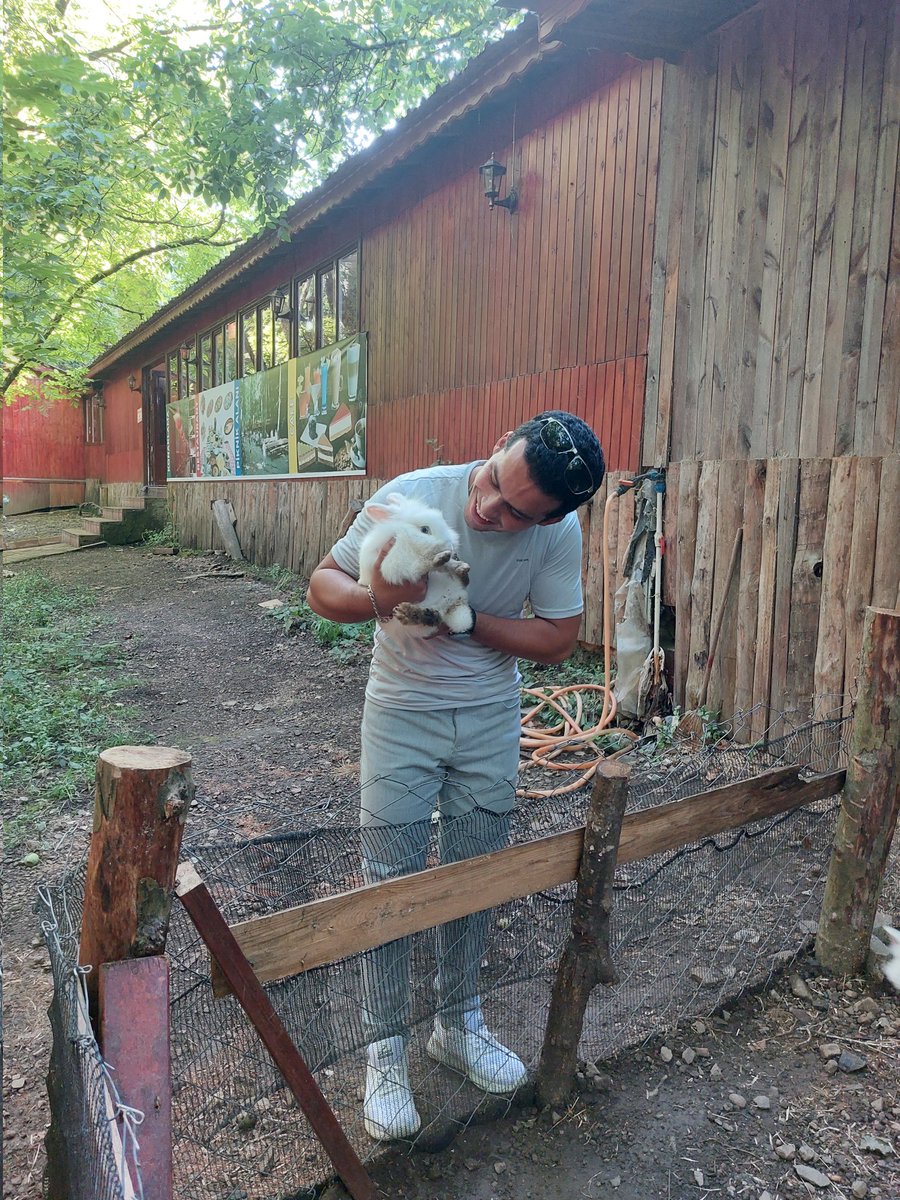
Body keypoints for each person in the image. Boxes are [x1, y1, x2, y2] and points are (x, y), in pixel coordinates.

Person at [306, 410, 605, 1139]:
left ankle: (458, 1024)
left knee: (476, 873)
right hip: (400, 711)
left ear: (550, 518)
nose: (487, 509)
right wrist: (390, 598)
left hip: (489, 717)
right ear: (499, 444)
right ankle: (385, 1050)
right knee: (391, 876)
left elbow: (558, 639)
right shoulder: (414, 493)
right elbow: (322, 586)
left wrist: (461, 617)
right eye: (494, 483)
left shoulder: (557, 534)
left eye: (515, 513)